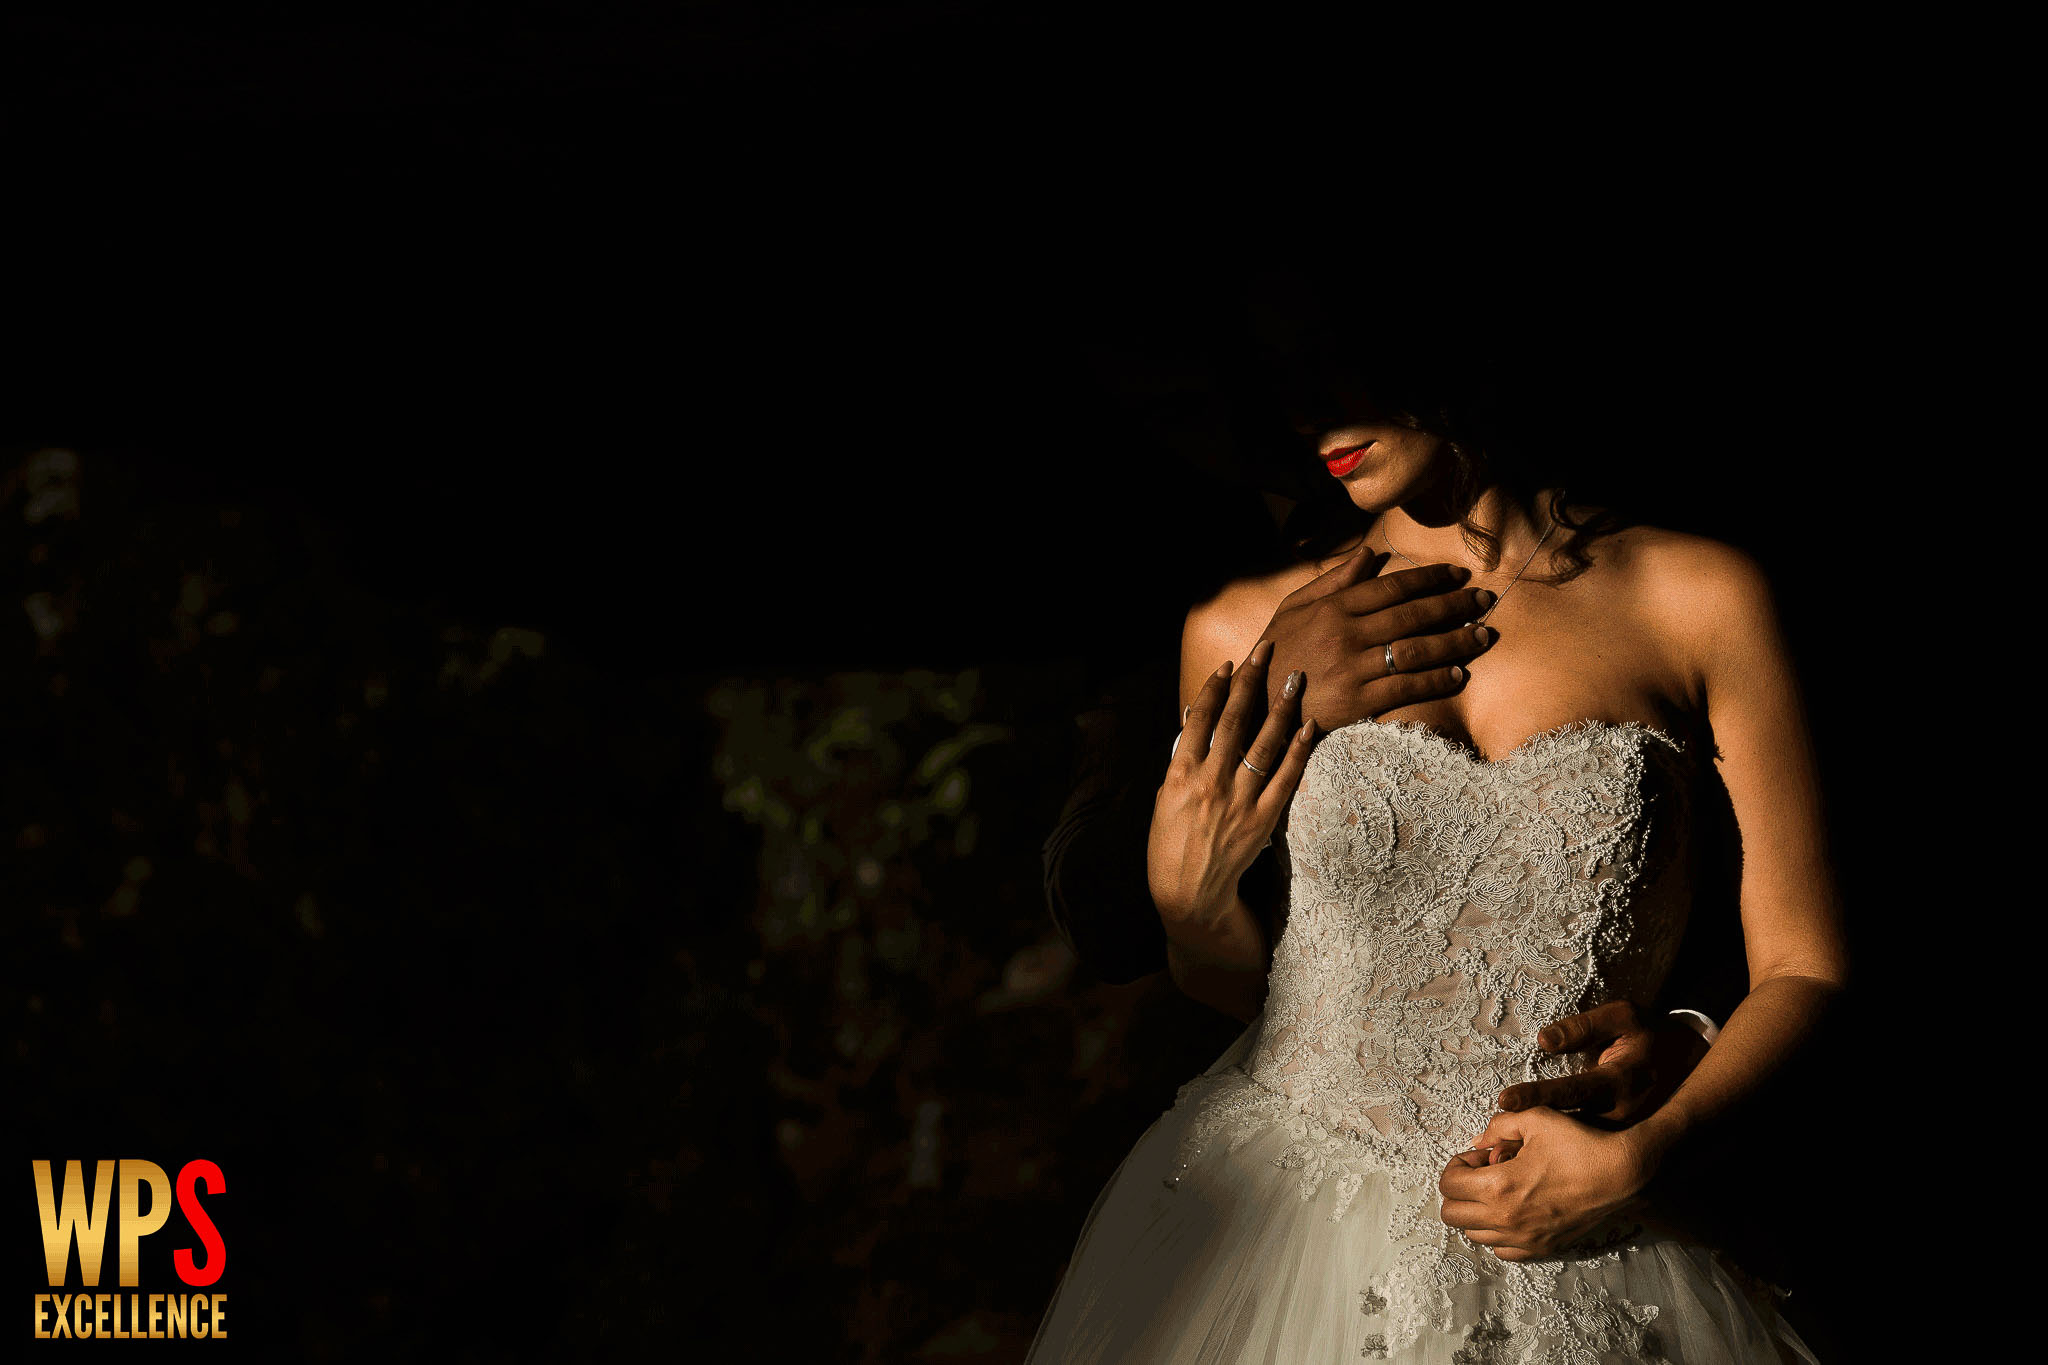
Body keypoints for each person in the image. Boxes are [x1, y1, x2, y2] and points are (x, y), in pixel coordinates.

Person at [1025, 348, 1843, 1362]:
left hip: (1594, 1225)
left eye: (1338, 357)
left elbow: (1807, 963)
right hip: (1287, 1225)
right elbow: (1236, 987)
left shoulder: (1694, 597)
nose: (1310, 411)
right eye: (1284, 383)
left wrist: (1641, 1151)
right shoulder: (1242, 627)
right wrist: (1187, 905)